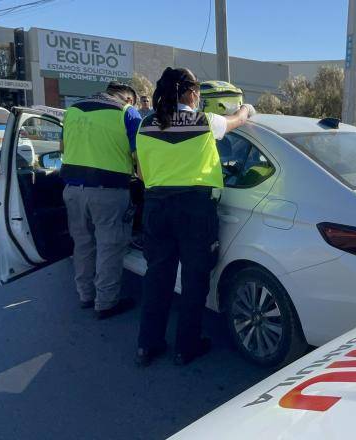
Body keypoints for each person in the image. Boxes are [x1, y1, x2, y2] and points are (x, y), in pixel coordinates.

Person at [134, 67, 255, 366]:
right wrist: (247, 108)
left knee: (157, 278)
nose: (199, 95)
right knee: (194, 279)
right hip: (194, 209)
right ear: (190, 92)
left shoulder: (146, 125)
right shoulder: (204, 122)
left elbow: (140, 172)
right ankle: (186, 347)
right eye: (198, 90)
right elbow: (238, 120)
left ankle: (147, 345)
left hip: (156, 207)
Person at [60, 81, 142, 319]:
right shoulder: (127, 113)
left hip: (73, 190)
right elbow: (139, 158)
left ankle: (85, 294)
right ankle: (105, 302)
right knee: (109, 246)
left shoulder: (73, 110)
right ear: (128, 98)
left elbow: (63, 147)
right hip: (109, 192)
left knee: (83, 244)